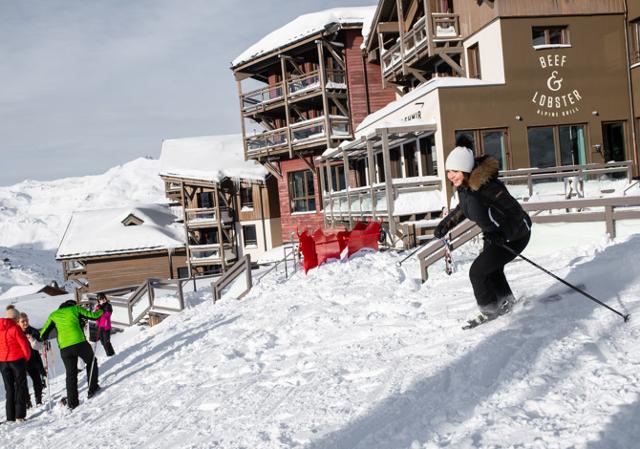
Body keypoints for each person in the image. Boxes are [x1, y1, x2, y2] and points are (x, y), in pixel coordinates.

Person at [434, 143, 532, 326]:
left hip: (515, 234)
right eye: (448, 171)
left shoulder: (488, 187)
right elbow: (464, 208)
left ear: (465, 169)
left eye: (454, 170)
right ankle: (506, 302)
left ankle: (489, 310)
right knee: (491, 270)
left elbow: (515, 214)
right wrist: (445, 225)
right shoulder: (464, 187)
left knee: (477, 272)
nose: (450, 176)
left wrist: (503, 234)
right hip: (495, 235)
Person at [40, 300, 103, 409]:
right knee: (91, 361)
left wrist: (44, 339)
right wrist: (101, 310)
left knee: (71, 374)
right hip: (79, 343)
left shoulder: (53, 315)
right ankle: (93, 388)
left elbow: (43, 334)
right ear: (71, 305)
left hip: (65, 349)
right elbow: (94, 316)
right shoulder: (75, 309)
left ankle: (73, 403)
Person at [0, 308, 31, 422]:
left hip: (3, 362)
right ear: (14, 318)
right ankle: (19, 415)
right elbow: (24, 345)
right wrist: (26, 359)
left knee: (9, 389)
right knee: (20, 386)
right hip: (17, 360)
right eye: (17, 318)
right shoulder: (15, 328)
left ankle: (10, 416)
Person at [18, 313, 46, 407]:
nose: (25, 323)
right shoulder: (16, 332)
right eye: (23, 321)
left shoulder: (33, 331)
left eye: (27, 320)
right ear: (18, 322)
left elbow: (40, 344)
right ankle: (27, 402)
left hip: (33, 359)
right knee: (22, 383)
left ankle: (38, 400)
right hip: (21, 361)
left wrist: (33, 339)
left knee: (37, 380)